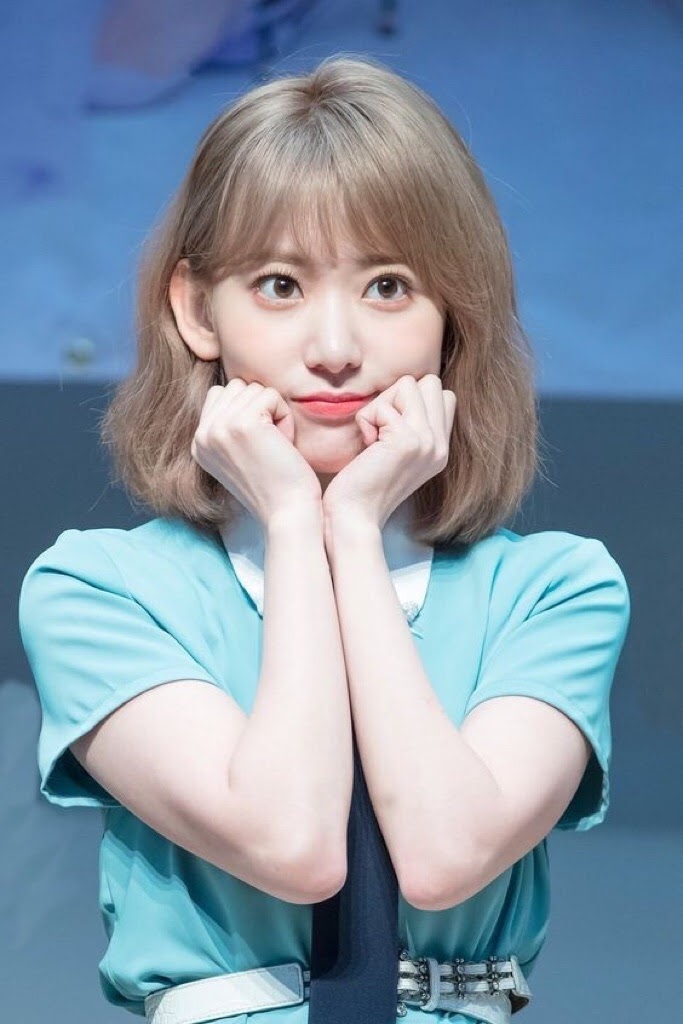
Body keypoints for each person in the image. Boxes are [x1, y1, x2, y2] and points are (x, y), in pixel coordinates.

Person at [18, 54, 631, 1024]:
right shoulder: (99, 589)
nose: (336, 347)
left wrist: (350, 526)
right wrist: (296, 521)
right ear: (196, 309)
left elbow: (442, 856)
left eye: (388, 285)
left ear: (451, 315)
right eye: (278, 284)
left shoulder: (554, 589)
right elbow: (292, 844)